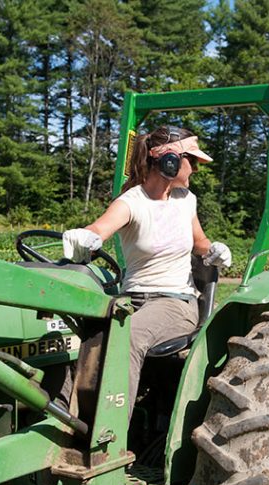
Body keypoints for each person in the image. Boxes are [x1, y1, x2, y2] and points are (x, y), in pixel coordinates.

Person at [62, 126, 232, 413]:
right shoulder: (131, 202)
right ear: (171, 161)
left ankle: (109, 439)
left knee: (127, 337)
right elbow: (99, 229)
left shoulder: (186, 201)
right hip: (131, 300)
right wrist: (85, 236)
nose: (196, 171)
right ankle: (66, 418)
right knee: (79, 335)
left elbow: (200, 242)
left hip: (175, 303)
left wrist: (214, 250)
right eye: (193, 162)